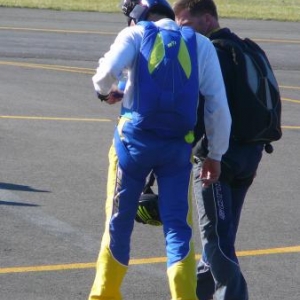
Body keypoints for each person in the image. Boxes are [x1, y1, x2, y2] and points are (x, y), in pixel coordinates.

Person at [88, 0, 231, 299]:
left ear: (137, 17)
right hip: (177, 148)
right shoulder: (200, 45)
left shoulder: (136, 34)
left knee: (118, 221)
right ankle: (184, 295)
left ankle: (105, 293)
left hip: (133, 144)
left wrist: (106, 94)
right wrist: (215, 154)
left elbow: (104, 76)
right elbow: (218, 107)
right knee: (179, 228)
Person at [173, 0, 266, 299]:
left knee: (216, 241)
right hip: (249, 155)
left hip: (218, 159)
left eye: (186, 25)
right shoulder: (244, 48)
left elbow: (210, 109)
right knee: (220, 237)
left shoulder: (211, 53)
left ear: (208, 20)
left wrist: (200, 150)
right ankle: (200, 294)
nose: (181, 32)